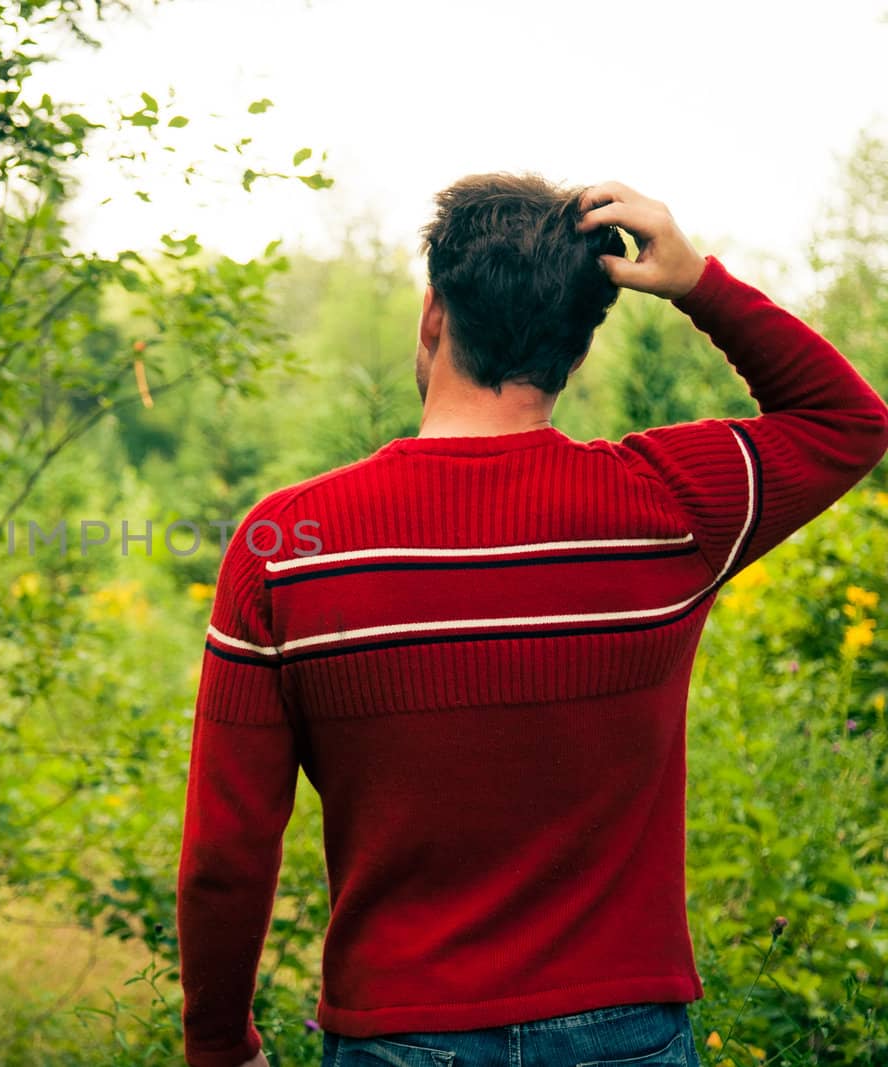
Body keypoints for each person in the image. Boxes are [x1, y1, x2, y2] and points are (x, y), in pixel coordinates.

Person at [174, 174, 888, 1067]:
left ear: (434, 314)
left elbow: (226, 852)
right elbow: (850, 420)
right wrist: (701, 283)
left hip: (398, 1032)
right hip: (628, 1029)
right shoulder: (672, 505)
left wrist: (217, 1044)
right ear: (578, 348)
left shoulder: (285, 546)